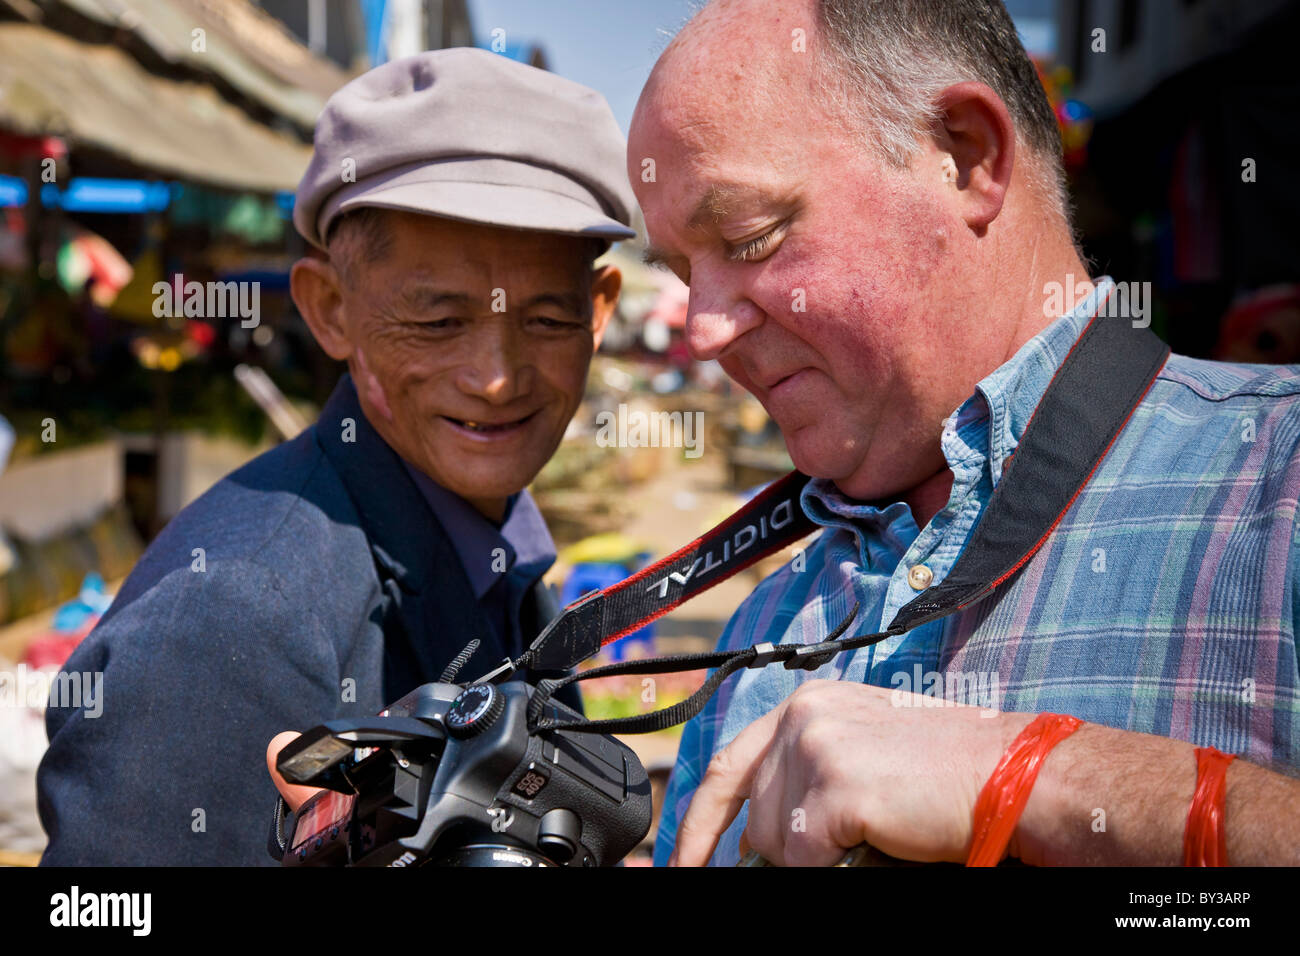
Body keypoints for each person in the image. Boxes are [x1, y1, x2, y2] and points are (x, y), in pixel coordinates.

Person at [628, 0, 1300, 866]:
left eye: (752, 237)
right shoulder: (764, 618)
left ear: (966, 156)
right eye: (683, 271)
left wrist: (1032, 780)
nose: (704, 328)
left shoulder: (1279, 476)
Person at [37, 48, 634, 865]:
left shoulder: (499, 555)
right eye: (437, 321)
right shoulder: (234, 622)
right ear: (330, 310)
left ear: (599, 312)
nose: (497, 379)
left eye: (547, 319)